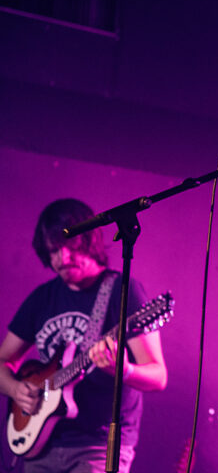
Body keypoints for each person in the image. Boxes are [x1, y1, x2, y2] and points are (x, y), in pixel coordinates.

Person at [0, 198, 168, 472]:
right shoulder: (42, 298)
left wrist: (123, 370)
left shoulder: (122, 290)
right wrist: (15, 389)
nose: (62, 258)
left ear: (89, 241)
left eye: (69, 246)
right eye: (54, 250)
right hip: (40, 443)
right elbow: (2, 362)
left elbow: (158, 376)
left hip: (98, 447)